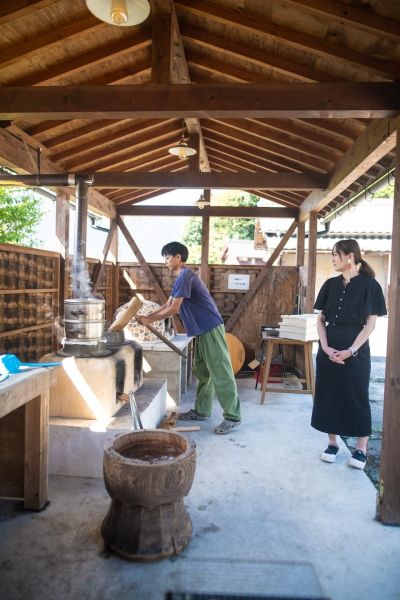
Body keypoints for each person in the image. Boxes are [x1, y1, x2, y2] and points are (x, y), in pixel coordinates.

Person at [136, 241, 241, 434]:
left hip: (210, 327)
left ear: (178, 257)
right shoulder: (180, 279)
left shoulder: (185, 276)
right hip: (200, 331)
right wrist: (148, 317)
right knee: (202, 371)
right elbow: (167, 304)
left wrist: (149, 319)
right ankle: (202, 411)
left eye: (167, 257)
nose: (165, 261)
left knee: (221, 372)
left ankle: (233, 417)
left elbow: (174, 309)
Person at [312, 239, 387, 470]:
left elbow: (370, 325)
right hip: (328, 349)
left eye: (336, 254)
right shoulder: (330, 285)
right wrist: (325, 347)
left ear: (350, 257)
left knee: (356, 395)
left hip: (356, 351)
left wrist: (350, 351)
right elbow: (320, 320)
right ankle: (332, 443)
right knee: (328, 394)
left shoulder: (370, 286)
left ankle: (361, 447)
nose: (333, 259)